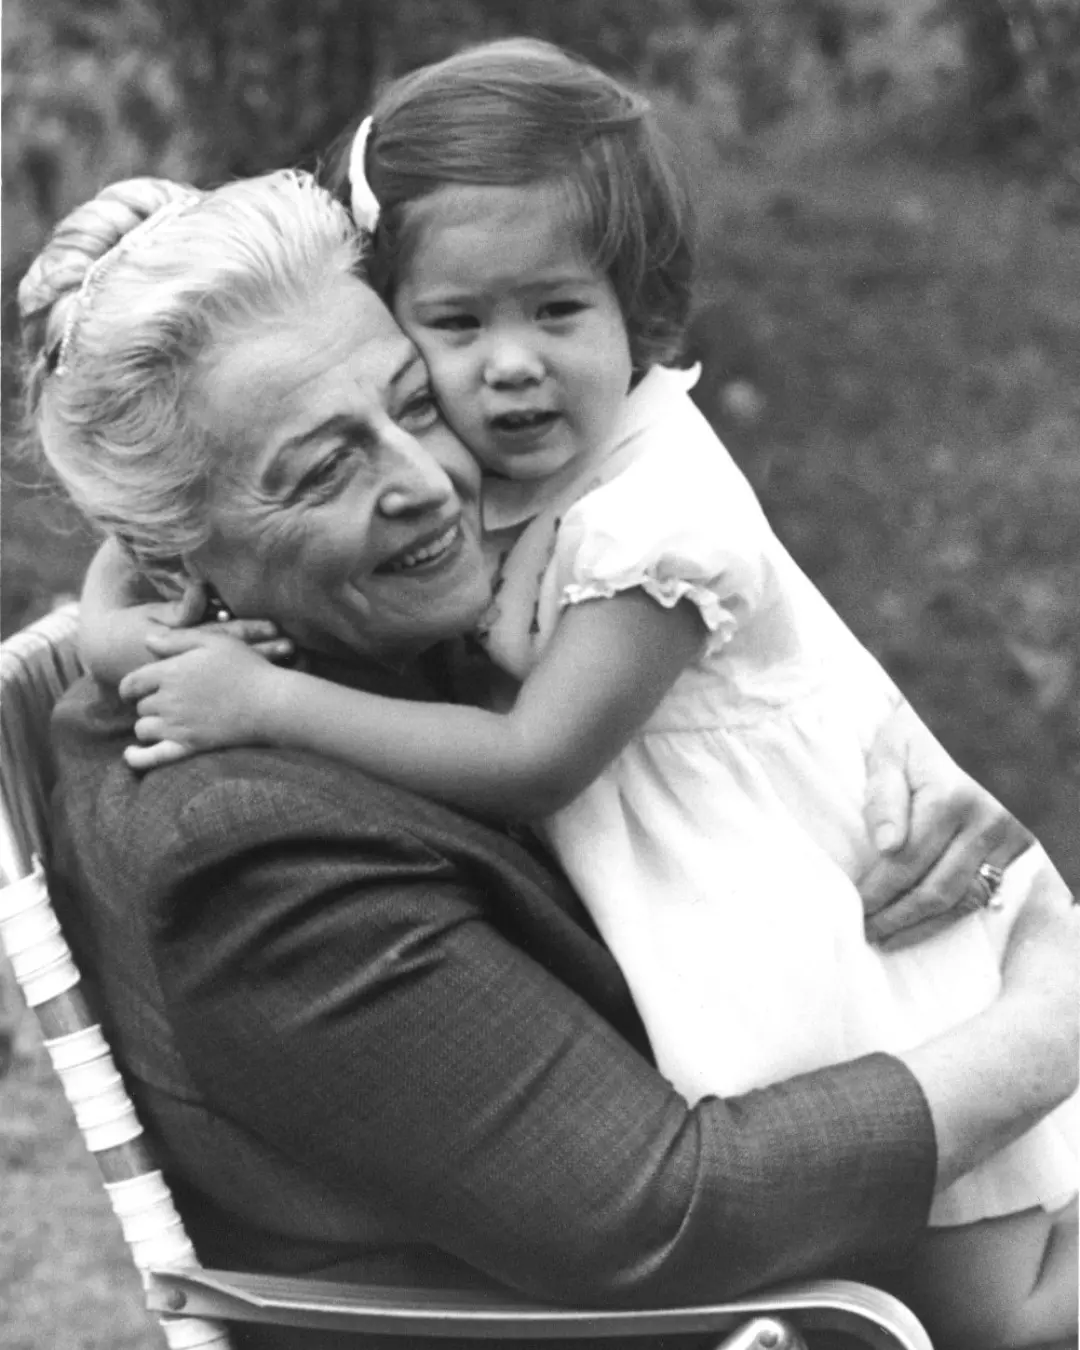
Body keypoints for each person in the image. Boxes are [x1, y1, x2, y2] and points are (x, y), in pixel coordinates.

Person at [104, 43, 1077, 1346]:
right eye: (452, 331)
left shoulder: (627, 513)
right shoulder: (260, 850)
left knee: (1013, 1292)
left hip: (839, 911)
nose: (440, 461)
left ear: (641, 314)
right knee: (1002, 1320)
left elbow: (528, 751)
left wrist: (229, 678)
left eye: (403, 399)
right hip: (793, 1025)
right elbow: (667, 1207)